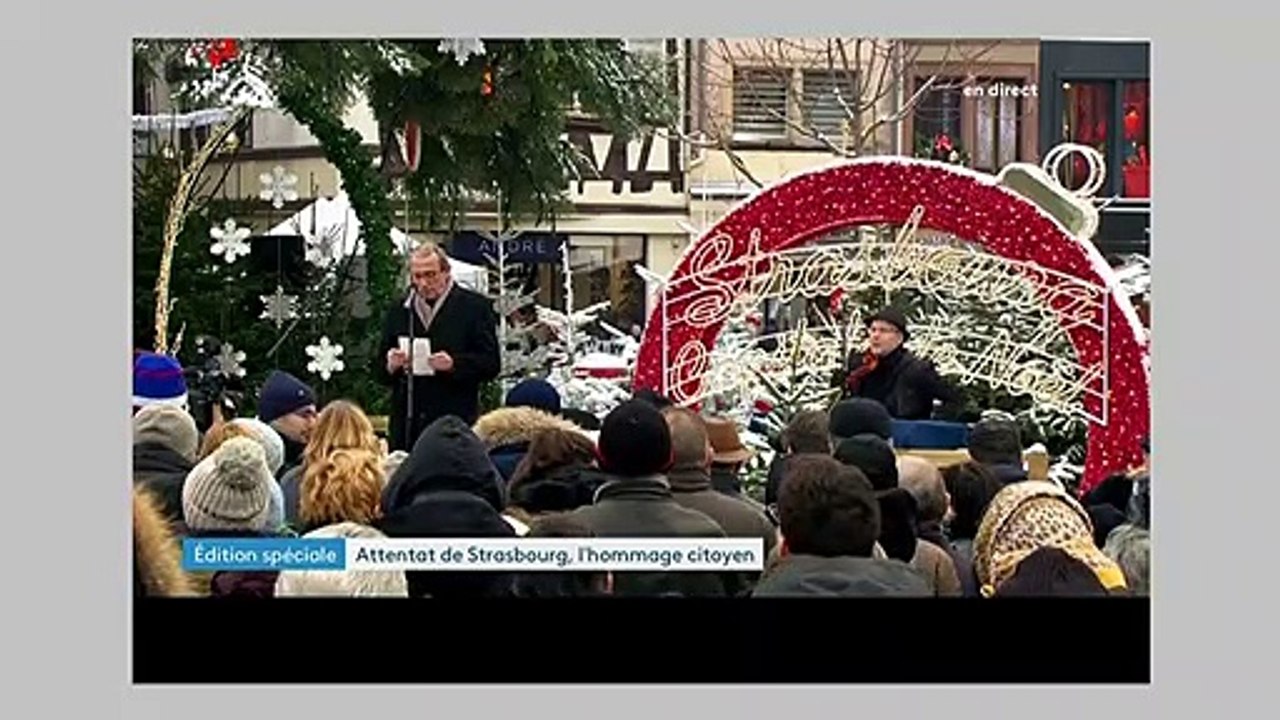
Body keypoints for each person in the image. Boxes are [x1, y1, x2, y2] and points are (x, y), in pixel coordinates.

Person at [376, 242, 501, 452]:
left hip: (453, 419)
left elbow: (491, 363)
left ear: (446, 272)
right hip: (409, 422)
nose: (424, 283)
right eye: (417, 276)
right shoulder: (400, 309)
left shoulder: (474, 307)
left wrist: (455, 364)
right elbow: (378, 368)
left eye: (431, 275)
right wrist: (390, 365)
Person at [835, 306, 961, 420]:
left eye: (883, 331)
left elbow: (954, 400)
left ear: (899, 338)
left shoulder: (916, 369)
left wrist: (930, 427)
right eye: (873, 330)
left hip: (905, 439)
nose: (875, 336)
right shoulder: (861, 368)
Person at [256, 370, 319, 477]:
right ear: (276, 418)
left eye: (314, 415)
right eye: (304, 415)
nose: (313, 424)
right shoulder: (253, 467)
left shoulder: (317, 466)